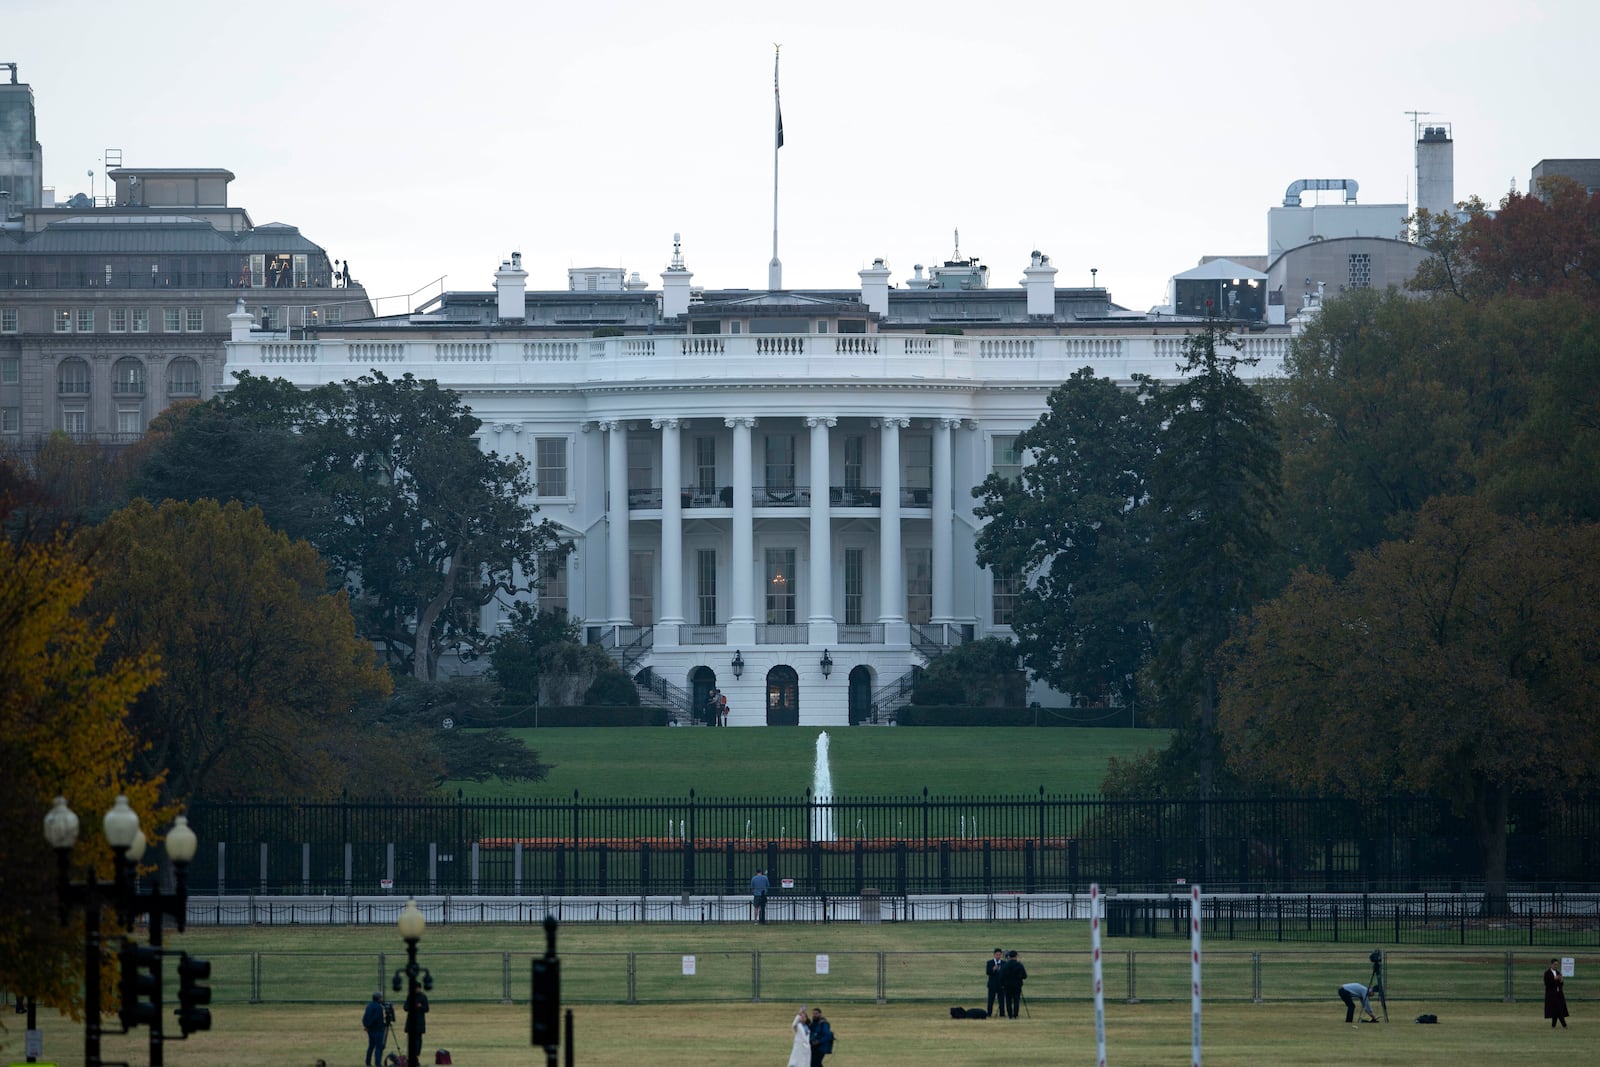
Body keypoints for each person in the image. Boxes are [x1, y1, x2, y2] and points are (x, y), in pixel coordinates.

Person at [361, 991, 387, 1067]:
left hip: (370, 1030)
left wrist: (366, 1026)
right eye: (381, 997)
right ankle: (378, 1063)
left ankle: (368, 1062)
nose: (382, 999)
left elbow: (364, 1018)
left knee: (371, 1046)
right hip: (377, 1030)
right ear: (378, 998)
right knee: (378, 1047)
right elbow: (376, 1018)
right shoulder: (378, 1007)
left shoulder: (369, 1005)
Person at [1000, 950, 1027, 1019]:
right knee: (1016, 1000)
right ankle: (1015, 1014)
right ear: (1016, 956)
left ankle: (1010, 1015)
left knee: (1008, 1001)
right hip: (1017, 986)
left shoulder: (1005, 965)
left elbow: (1001, 976)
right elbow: (1024, 976)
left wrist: (1002, 984)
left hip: (1007, 986)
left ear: (1009, 956)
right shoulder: (1019, 965)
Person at [1545, 958, 1569, 1028]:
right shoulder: (1547, 973)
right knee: (1558, 1010)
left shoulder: (1558, 973)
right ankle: (1564, 1025)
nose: (1556, 966)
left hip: (1559, 994)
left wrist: (1561, 981)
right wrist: (1554, 979)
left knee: (1557, 1010)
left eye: (1557, 965)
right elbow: (1547, 984)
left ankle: (1553, 1025)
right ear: (1551, 964)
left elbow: (1560, 984)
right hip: (1551, 995)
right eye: (1555, 964)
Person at [985, 947, 1006, 1018]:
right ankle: (989, 1013)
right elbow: (987, 972)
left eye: (999, 955)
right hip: (992, 985)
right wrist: (993, 969)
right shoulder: (989, 962)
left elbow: (1005, 974)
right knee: (990, 1000)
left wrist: (1000, 970)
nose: (998, 956)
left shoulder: (1004, 963)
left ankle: (1002, 1014)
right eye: (997, 954)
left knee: (1001, 1001)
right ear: (994, 955)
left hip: (1001, 985)